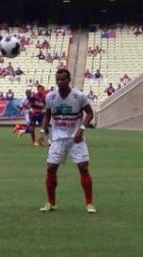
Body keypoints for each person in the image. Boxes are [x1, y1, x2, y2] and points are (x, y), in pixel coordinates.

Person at [38, 69, 96, 213]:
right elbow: (47, 115)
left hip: (76, 138)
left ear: (69, 80)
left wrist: (81, 129)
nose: (59, 82)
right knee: (51, 168)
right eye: (57, 80)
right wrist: (42, 131)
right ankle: (51, 203)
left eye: (63, 79)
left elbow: (90, 113)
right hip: (58, 138)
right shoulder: (50, 97)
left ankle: (89, 203)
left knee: (83, 167)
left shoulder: (79, 96)